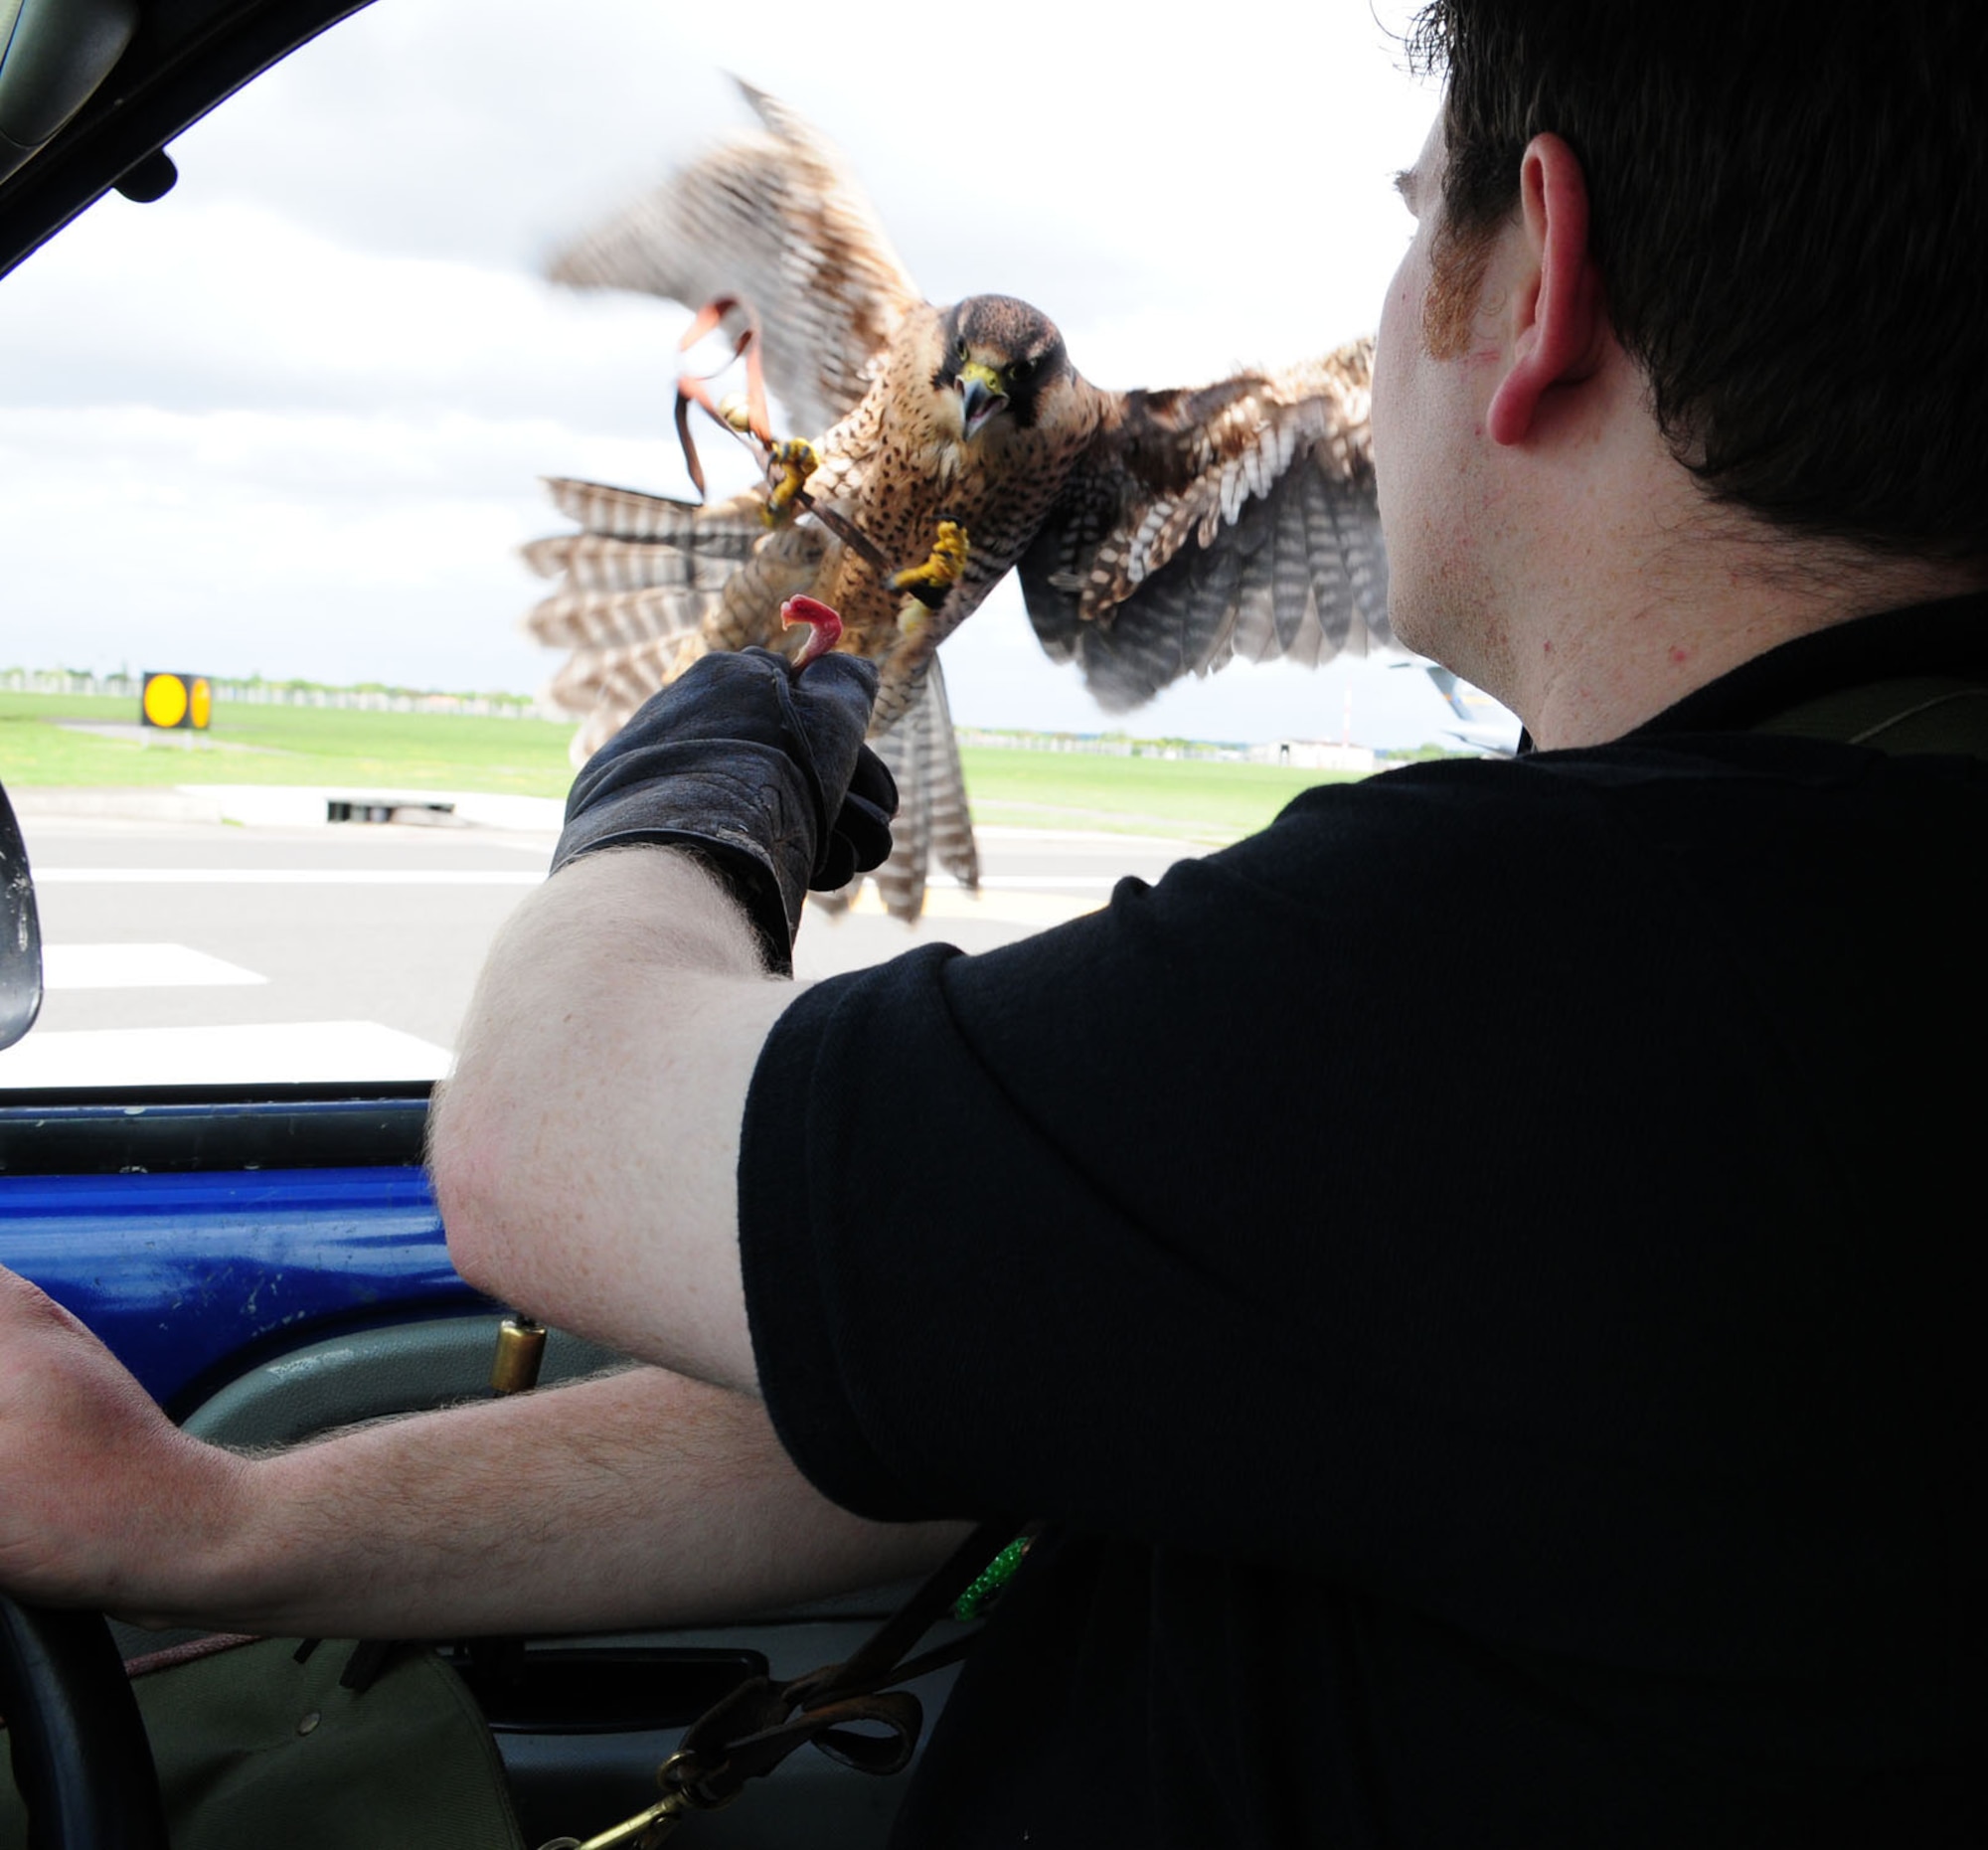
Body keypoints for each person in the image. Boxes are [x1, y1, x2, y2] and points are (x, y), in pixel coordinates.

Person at [4, 0, 1985, 1841]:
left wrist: (739, 709)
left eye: (1408, 228)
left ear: (1537, 281)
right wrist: (215, 1524)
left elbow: (545, 1134)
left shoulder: (1510, 960)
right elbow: (1008, 1356)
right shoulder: (1794, 932)